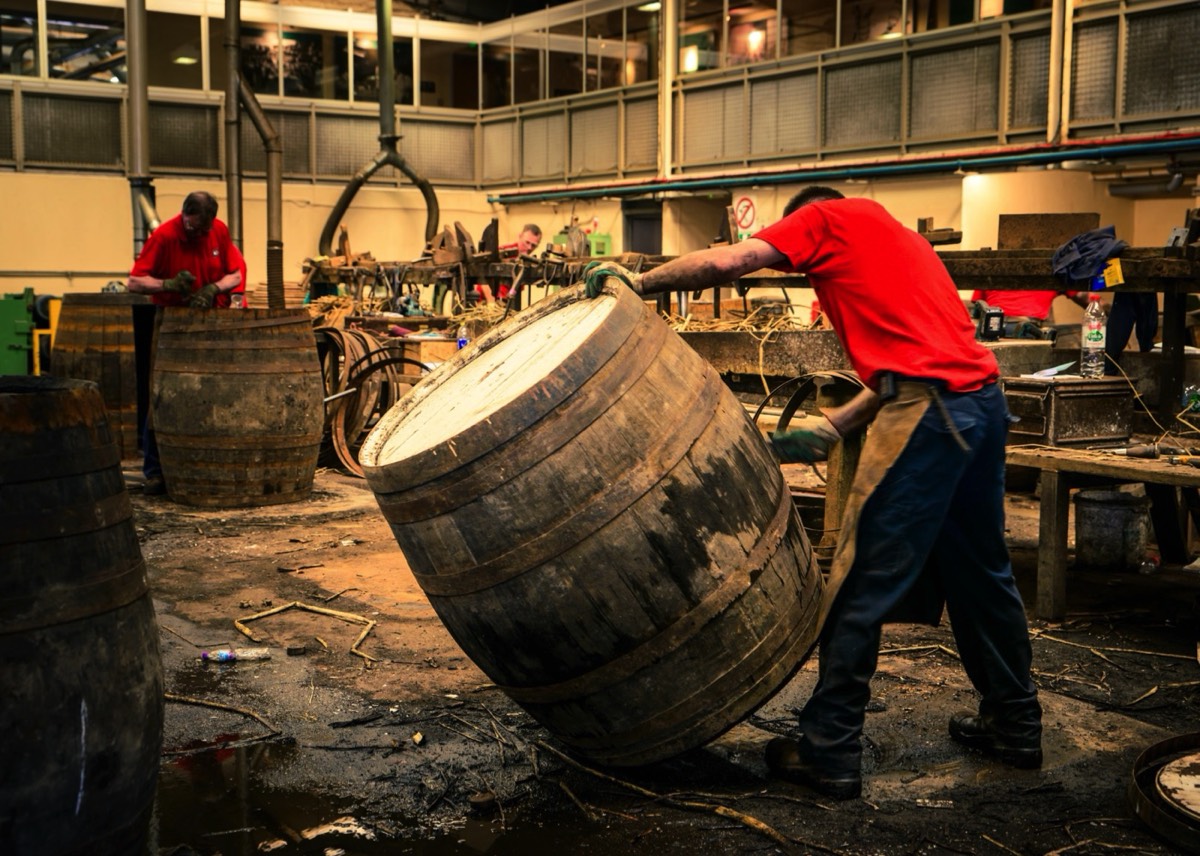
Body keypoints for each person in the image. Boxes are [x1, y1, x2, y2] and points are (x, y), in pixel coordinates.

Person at [584, 187, 1042, 800]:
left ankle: (829, 748)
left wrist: (641, 281)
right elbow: (907, 364)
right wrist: (832, 427)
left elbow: (728, 262)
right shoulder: (901, 242)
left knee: (858, 580)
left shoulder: (826, 218)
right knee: (982, 575)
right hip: (980, 406)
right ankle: (1015, 724)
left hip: (929, 414)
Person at [127, 190, 247, 495]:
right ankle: (155, 471)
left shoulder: (217, 230)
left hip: (212, 321)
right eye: (194, 228)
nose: (200, 234)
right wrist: (166, 284)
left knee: (212, 395)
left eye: (204, 230)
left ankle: (207, 463)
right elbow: (134, 282)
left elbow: (236, 274)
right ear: (184, 216)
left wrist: (212, 288)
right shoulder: (165, 236)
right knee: (163, 396)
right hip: (172, 323)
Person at [970, 288, 1086, 338]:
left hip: (991, 328)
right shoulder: (1056, 268)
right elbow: (1087, 299)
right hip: (1027, 329)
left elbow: (978, 306)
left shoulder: (992, 266)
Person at [475, 223, 542, 302]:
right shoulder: (502, 252)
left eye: (533, 245)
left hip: (505, 303)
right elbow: (482, 274)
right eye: (527, 242)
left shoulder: (527, 262)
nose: (529, 247)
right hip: (486, 302)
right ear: (520, 236)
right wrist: (491, 302)